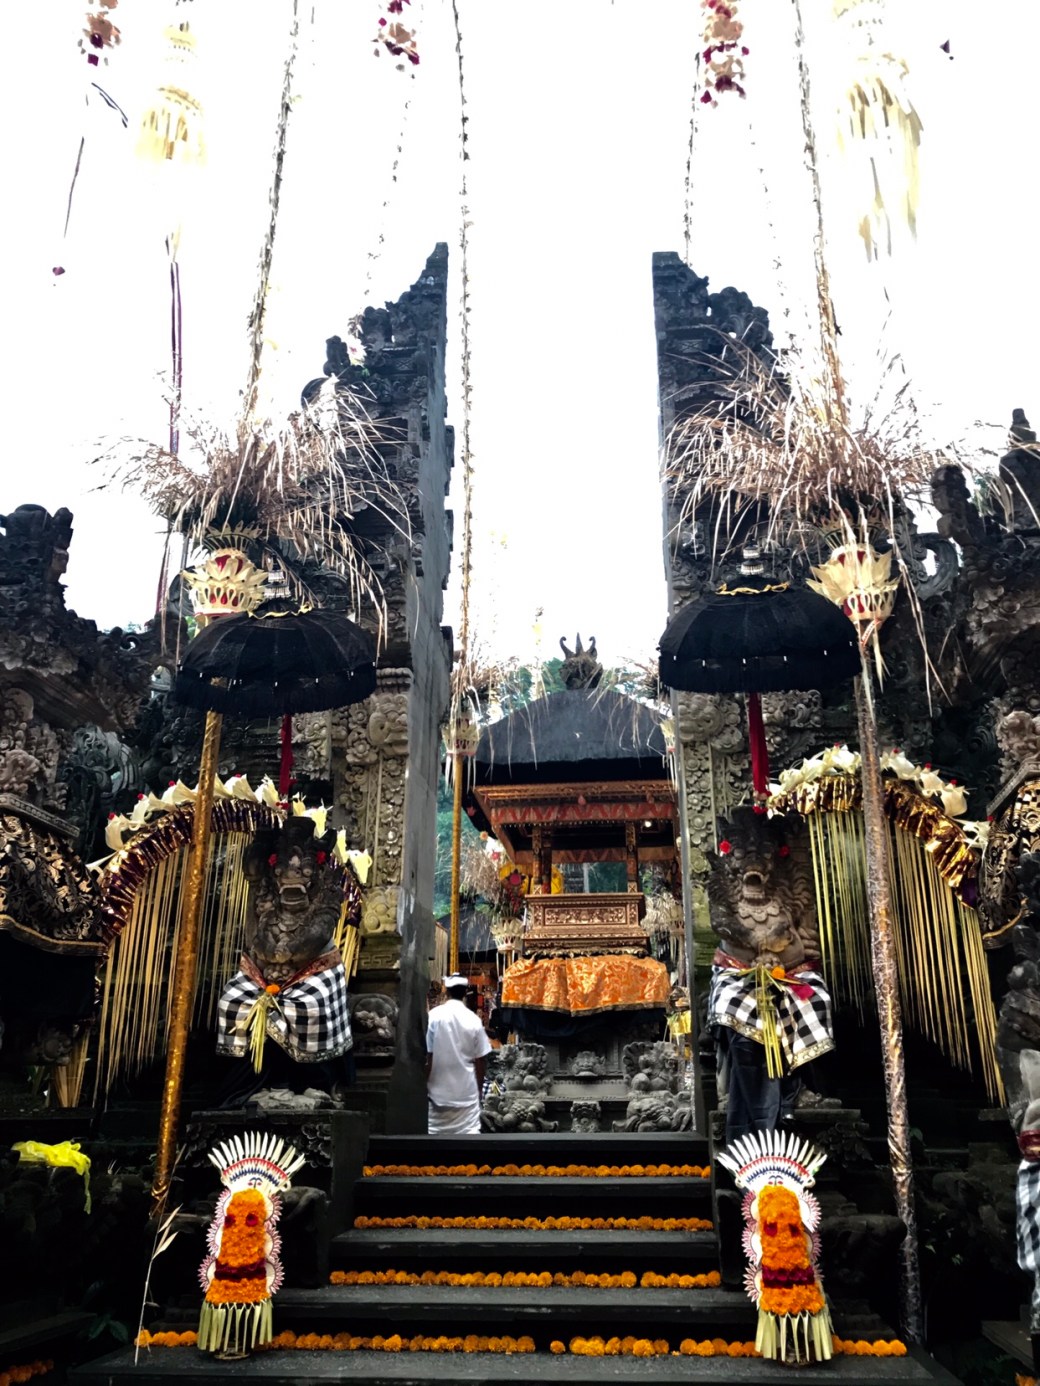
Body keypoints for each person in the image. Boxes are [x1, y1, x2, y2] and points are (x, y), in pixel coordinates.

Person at [425, 974, 492, 1135]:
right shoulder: (473, 1020)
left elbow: (428, 1056)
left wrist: (425, 1086)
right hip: (466, 1094)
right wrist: (478, 1091)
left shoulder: (434, 1016)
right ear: (464, 993)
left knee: (435, 1140)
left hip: (437, 1093)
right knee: (468, 1142)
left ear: (446, 991)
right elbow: (481, 1060)